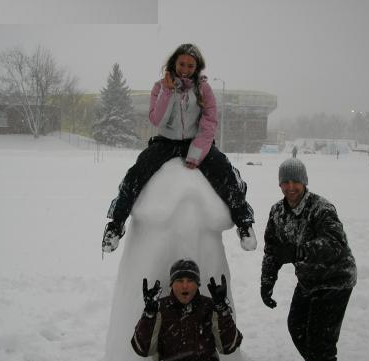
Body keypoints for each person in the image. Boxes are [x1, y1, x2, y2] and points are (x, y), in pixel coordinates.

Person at [102, 43, 256, 254]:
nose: (185, 68)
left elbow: (209, 123)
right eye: (182, 63)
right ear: (174, 63)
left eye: (190, 65)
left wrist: (196, 153)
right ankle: (116, 224)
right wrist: (167, 91)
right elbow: (156, 119)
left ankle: (244, 223)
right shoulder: (159, 87)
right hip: (165, 142)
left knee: (226, 173)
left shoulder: (204, 89)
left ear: (197, 67)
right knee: (136, 174)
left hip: (197, 141)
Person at [260, 158, 357, 361]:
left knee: (321, 338)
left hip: (336, 279)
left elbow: (334, 243)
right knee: (296, 325)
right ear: (280, 184)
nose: (291, 187)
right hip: (308, 279)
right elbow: (272, 251)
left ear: (304, 182)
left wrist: (299, 251)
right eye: (286, 182)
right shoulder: (277, 212)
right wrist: (267, 283)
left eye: (296, 181)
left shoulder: (322, 208)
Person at [131, 259, 243, 361]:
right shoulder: (159, 308)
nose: (185, 286)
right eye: (179, 280)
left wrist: (222, 310)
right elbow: (142, 349)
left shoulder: (209, 306)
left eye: (190, 280)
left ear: (197, 284)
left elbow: (228, 346)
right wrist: (149, 315)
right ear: (172, 284)